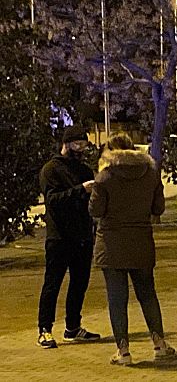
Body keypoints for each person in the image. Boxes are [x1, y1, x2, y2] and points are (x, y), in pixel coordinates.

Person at [89, 133, 177, 365]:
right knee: (147, 294)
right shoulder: (150, 174)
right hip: (141, 241)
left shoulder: (104, 177)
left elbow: (96, 211)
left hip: (111, 245)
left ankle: (124, 351)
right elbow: (158, 207)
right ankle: (159, 344)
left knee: (117, 298)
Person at [37, 126, 101, 349]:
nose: (81, 149)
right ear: (66, 144)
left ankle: (73, 327)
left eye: (84, 145)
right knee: (52, 283)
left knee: (79, 283)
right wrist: (81, 190)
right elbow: (53, 200)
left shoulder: (84, 169)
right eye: (77, 145)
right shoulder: (51, 170)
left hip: (82, 235)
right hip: (59, 237)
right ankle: (44, 329)